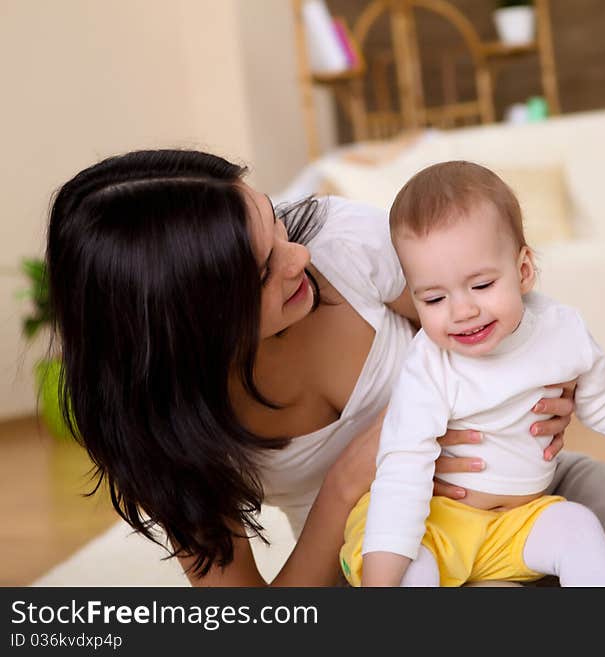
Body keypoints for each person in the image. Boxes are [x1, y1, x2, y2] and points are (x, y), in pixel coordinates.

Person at [45, 149, 574, 586]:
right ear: (189, 329)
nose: (297, 258)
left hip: (524, 497)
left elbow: (508, 324)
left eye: (274, 222)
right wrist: (345, 483)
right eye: (262, 272)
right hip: (378, 560)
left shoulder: (340, 243)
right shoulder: (158, 433)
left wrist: (553, 387)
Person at [340, 161, 605, 587]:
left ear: (524, 269)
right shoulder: (429, 365)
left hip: (515, 524)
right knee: (411, 569)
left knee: (574, 524)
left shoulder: (560, 333)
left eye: (481, 286)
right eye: (434, 299)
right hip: (436, 526)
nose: (462, 311)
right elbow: (403, 472)